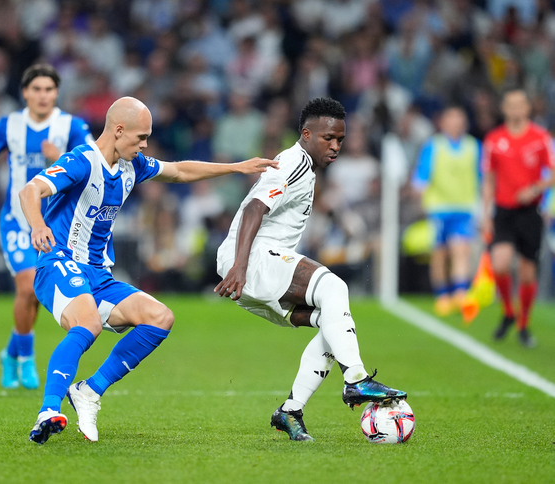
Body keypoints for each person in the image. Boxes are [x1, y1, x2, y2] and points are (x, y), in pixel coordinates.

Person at [19, 96, 277, 444]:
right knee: (89, 324)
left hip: (98, 273)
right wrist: (37, 225)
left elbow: (180, 170)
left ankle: (89, 392)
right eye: (140, 137)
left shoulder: (132, 165)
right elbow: (30, 189)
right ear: (118, 130)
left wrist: (236, 167)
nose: (145, 145)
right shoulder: (81, 161)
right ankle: (49, 409)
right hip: (59, 262)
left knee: (160, 317)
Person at [215, 98, 407, 442]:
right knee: (335, 289)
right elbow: (254, 209)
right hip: (252, 259)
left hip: (254, 267)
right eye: (328, 138)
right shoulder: (294, 161)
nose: (335, 146)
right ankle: (356, 380)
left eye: (340, 140)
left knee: (332, 322)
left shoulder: (306, 166)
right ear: (306, 134)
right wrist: (240, 267)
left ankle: (290, 411)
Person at [0, 64, 93, 390]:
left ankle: (10, 352)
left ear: (56, 93)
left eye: (49, 89)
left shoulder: (71, 125)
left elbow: (89, 162)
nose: (43, 95)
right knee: (26, 285)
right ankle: (26, 357)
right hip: (18, 220)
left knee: (36, 293)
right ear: (25, 92)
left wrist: (59, 156)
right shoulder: (9, 124)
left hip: (56, 223)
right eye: (37, 89)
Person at [482, 89, 555, 348]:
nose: (515, 109)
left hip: (530, 212)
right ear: (504, 108)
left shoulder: (540, 137)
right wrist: (486, 212)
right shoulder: (494, 139)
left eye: (519, 105)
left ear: (527, 108)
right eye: (510, 105)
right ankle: (508, 312)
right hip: (504, 210)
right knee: (500, 264)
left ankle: (523, 323)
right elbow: (489, 177)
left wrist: (535, 188)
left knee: (526, 273)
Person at [411, 106, 481, 316]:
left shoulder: (473, 147)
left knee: (461, 250)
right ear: (443, 123)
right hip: (439, 208)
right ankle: (442, 294)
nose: (455, 124)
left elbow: (482, 176)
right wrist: (420, 194)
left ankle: (460, 292)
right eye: (451, 120)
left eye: (459, 120)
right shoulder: (434, 146)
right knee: (440, 253)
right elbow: (421, 176)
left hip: (464, 207)